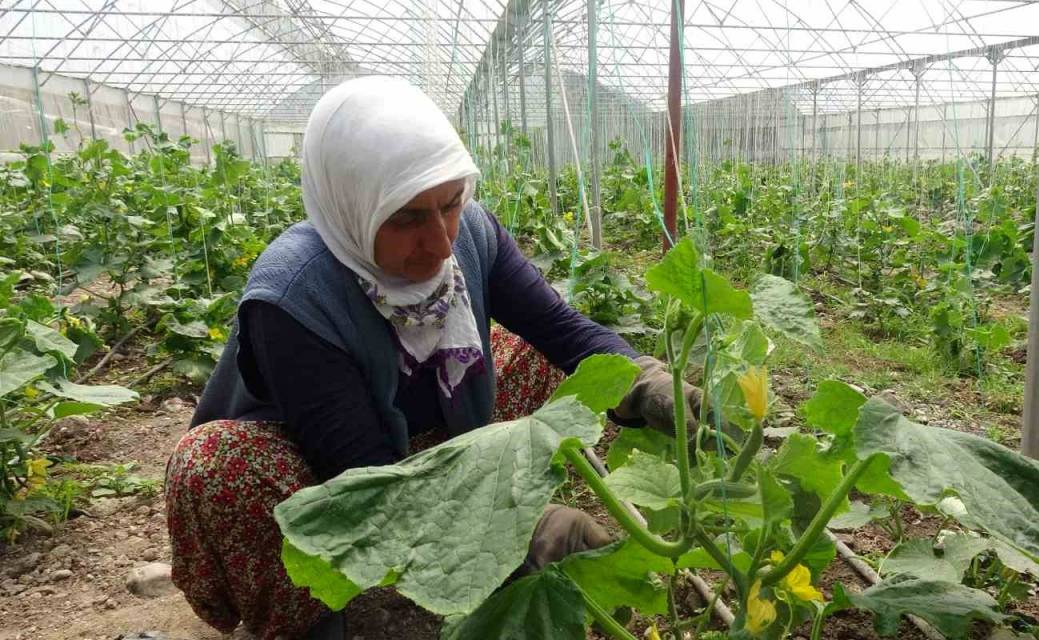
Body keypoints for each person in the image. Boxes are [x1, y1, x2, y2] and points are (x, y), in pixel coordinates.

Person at [164, 76, 698, 639]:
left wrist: (646, 381)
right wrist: (517, 533)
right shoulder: (293, 295)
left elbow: (560, 329)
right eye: (407, 218)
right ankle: (326, 623)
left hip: (426, 438)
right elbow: (363, 471)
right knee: (216, 465)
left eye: (450, 204)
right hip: (314, 475)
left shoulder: (472, 235)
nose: (441, 242)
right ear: (351, 205)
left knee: (540, 357)